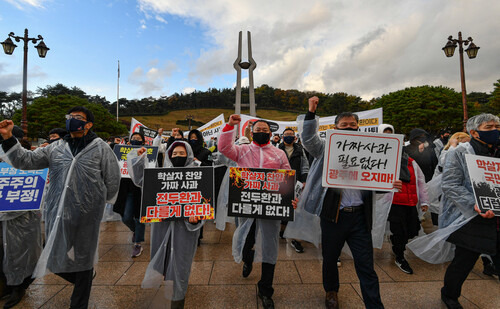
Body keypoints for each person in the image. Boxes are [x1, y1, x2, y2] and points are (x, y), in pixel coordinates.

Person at [0, 106, 121, 309]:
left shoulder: (100, 147)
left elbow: (112, 179)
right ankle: (83, 276)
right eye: (70, 116)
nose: (71, 120)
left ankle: (79, 302)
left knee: (84, 257)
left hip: (87, 216)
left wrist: (98, 205)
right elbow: (25, 160)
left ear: (88, 124)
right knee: (52, 257)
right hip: (58, 214)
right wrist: (8, 137)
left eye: (77, 117)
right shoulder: (56, 147)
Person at [299, 97, 402, 309]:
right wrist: (311, 113)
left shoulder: (370, 150)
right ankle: (331, 291)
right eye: (344, 125)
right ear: (335, 128)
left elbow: (377, 182)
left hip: (360, 218)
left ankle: (374, 304)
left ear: (359, 128)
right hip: (333, 216)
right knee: (330, 258)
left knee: (366, 265)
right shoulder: (325, 148)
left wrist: (390, 182)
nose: (349, 128)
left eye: (353, 125)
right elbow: (309, 139)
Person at [218, 115, 291, 309]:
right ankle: (247, 259)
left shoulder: (279, 154)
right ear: (251, 133)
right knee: (246, 239)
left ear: (270, 133)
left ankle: (266, 290)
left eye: (264, 130)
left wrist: (291, 197)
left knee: (270, 247)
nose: (260, 132)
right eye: (257, 130)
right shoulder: (241, 151)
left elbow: (287, 179)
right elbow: (223, 148)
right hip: (247, 205)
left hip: (270, 207)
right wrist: (230, 126)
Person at [127, 140, 203, 309]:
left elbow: (203, 204)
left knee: (181, 267)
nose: (177, 157)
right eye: (174, 154)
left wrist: (196, 219)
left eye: (182, 154)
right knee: (164, 263)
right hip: (162, 227)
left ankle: (178, 301)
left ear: (189, 156)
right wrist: (139, 160)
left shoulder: (197, 177)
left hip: (185, 231)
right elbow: (141, 180)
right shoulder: (160, 177)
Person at [440, 113, 500, 309]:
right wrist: (475, 203)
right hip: (473, 217)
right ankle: (450, 295)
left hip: (497, 217)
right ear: (474, 132)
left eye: (497, 126)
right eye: (489, 127)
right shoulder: (459, 152)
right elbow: (450, 184)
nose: (495, 130)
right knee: (464, 261)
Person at [0, 126, 43, 308]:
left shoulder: (29, 159)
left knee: (19, 252)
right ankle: (6, 285)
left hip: (23, 216)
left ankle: (18, 286)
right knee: (3, 252)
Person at [380, 125, 429, 274]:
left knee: (411, 230)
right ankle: (399, 255)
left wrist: (424, 201)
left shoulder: (411, 162)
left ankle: (398, 245)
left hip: (410, 203)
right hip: (394, 203)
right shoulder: (381, 161)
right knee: (399, 231)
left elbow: (421, 182)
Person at [113, 132, 147, 258]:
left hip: (139, 190)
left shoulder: (146, 154)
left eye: (138, 139)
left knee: (139, 217)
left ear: (143, 142)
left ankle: (138, 243)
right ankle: (135, 230)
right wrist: (116, 145)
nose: (135, 140)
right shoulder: (123, 153)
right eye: (133, 139)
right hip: (125, 189)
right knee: (126, 217)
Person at [278, 128, 309, 253]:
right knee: (283, 209)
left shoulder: (300, 150)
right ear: (282, 137)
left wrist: (305, 180)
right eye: (286, 135)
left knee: (297, 210)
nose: (289, 137)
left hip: (296, 184)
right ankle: (283, 231)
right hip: (280, 184)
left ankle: (296, 239)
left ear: (295, 138)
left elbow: (305, 167)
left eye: (291, 135)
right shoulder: (277, 149)